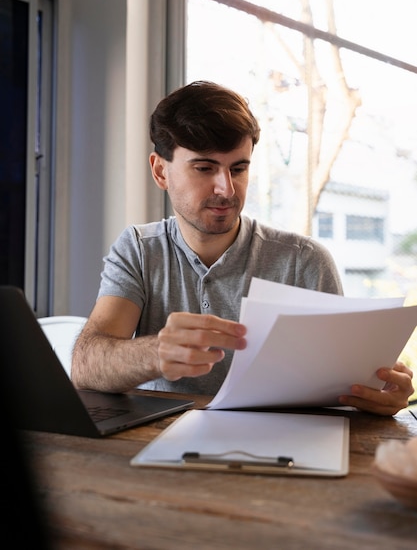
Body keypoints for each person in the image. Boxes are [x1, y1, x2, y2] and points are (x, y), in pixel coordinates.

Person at [71, 80, 414, 416]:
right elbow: (86, 367)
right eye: (204, 168)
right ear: (161, 171)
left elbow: (341, 390)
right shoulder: (139, 250)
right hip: (160, 441)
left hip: (282, 447)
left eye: (239, 168)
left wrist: (378, 395)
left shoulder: (305, 261)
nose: (227, 189)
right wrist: (155, 352)